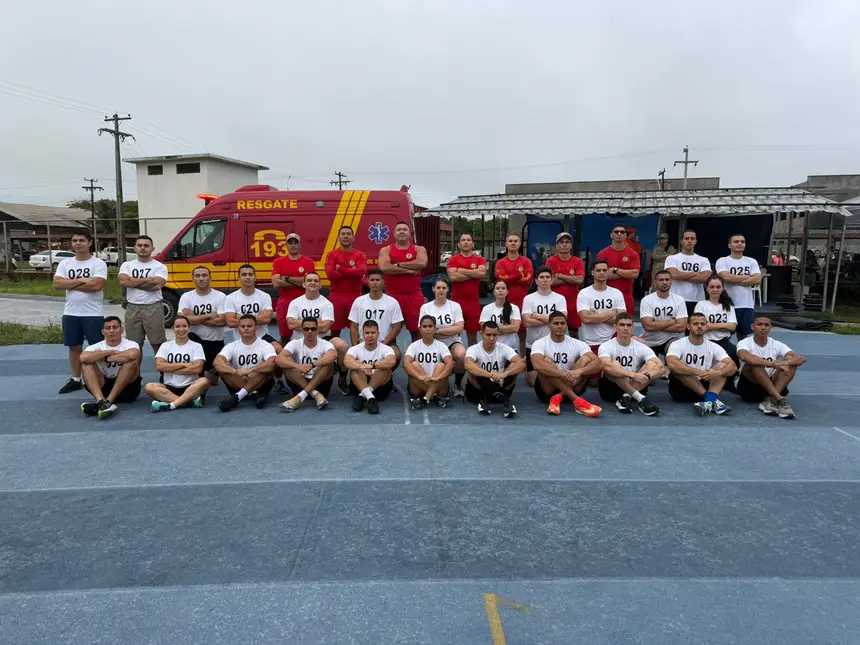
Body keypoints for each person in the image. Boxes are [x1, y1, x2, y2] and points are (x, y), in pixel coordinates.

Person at [54, 230, 109, 394]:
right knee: (74, 347)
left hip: (93, 313)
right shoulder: (65, 264)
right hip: (71, 313)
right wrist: (82, 280)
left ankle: (102, 377)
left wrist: (69, 283)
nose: (78, 243)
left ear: (90, 243)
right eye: (75, 240)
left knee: (97, 348)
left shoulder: (98, 264)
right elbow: (57, 284)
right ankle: (76, 379)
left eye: (82, 240)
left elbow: (97, 286)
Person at [221, 264, 286, 391]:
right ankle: (243, 380)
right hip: (240, 337)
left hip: (262, 335)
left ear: (255, 277)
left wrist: (240, 317)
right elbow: (229, 321)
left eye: (250, 274)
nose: (247, 277)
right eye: (244, 274)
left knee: (279, 350)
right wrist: (257, 318)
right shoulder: (231, 298)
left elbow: (267, 319)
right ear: (239, 277)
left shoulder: (264, 296)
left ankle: (278, 381)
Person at [530, 311, 602, 417]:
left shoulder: (578, 343)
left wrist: (578, 371)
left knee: (586, 359)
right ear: (549, 326)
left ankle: (558, 397)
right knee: (546, 362)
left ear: (566, 325)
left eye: (562, 323)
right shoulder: (539, 343)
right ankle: (577, 401)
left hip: (572, 383)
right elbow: (537, 365)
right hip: (548, 391)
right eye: (556, 323)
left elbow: (598, 363)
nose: (559, 326)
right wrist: (563, 374)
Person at [665, 313, 737, 416]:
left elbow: (733, 366)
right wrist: (698, 372)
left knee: (723, 366)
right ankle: (712, 400)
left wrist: (718, 372)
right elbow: (671, 363)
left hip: (704, 384)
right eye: (696, 324)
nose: (699, 326)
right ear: (688, 326)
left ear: (706, 327)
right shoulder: (678, 344)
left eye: (703, 324)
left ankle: (708, 402)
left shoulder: (713, 346)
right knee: (680, 366)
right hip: (681, 389)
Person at [736, 314, 806, 419]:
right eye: (759, 324)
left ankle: (771, 400)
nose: (763, 327)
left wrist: (786, 363)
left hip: (771, 384)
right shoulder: (744, 343)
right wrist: (773, 364)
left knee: (792, 363)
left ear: (770, 328)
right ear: (752, 327)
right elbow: (744, 356)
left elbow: (800, 359)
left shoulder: (776, 344)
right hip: (750, 387)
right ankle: (779, 399)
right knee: (755, 363)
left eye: (766, 325)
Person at [347, 269, 405, 392]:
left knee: (396, 353)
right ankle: (365, 381)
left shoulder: (392, 302)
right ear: (368, 282)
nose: (374, 283)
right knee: (352, 357)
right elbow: (353, 326)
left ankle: (387, 377)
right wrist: (356, 346)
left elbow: (397, 326)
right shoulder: (359, 301)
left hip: (384, 341)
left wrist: (383, 345)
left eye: (377, 280)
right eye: (372, 280)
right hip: (364, 341)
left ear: (383, 282)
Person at [597, 313, 663, 415]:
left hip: (638, 385)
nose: (625, 328)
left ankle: (626, 397)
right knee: (613, 365)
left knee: (653, 364)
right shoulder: (606, 346)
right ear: (615, 327)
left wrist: (646, 375)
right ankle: (640, 399)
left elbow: (660, 366)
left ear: (633, 327)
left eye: (628, 325)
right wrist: (632, 375)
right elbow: (605, 365)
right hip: (611, 389)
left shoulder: (640, 347)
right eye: (622, 325)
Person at [79, 316, 142, 420]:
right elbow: (83, 358)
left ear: (121, 330)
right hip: (103, 386)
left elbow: (133, 354)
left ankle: (108, 402)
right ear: (103, 332)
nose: (111, 331)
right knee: (86, 363)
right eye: (108, 328)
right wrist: (109, 352)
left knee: (131, 362)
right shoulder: (95, 347)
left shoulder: (131, 344)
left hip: (128, 389)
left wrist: (108, 358)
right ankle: (101, 401)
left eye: (115, 327)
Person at [144, 315, 210, 412]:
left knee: (204, 381)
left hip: (190, 386)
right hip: (169, 387)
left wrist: (170, 368)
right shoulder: (165, 346)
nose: (181, 329)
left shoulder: (197, 346)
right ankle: (188, 402)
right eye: (178, 326)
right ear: (173, 329)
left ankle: (172, 405)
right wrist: (183, 365)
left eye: (184, 326)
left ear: (189, 328)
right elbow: (159, 366)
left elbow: (197, 369)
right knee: (149, 387)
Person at [214, 314, 277, 412]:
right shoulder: (232, 345)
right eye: (243, 326)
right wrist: (235, 371)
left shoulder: (265, 345)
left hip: (260, 383)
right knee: (223, 370)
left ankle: (236, 398)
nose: (246, 329)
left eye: (249, 326)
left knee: (264, 370)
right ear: (238, 329)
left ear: (256, 328)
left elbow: (271, 363)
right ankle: (254, 395)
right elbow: (217, 362)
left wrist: (250, 370)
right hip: (238, 381)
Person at [118, 235, 168, 354]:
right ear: (135, 248)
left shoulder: (159, 266)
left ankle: (162, 371)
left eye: (146, 246)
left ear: (152, 248)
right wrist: (147, 280)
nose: (142, 248)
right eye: (139, 245)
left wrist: (132, 281)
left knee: (158, 343)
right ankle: (135, 373)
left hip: (153, 306)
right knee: (133, 346)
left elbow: (157, 285)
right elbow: (123, 282)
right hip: (132, 307)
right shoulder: (127, 265)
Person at [464, 321, 526, 417]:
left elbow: (521, 364)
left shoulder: (503, 348)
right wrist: (491, 375)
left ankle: (487, 401)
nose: (492, 338)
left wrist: (505, 374)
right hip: (480, 388)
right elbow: (467, 365)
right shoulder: (474, 348)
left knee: (514, 365)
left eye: (494, 335)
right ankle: (505, 400)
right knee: (473, 368)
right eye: (488, 335)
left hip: (500, 383)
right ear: (481, 334)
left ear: (498, 335)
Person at [178, 265, 227, 387]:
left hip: (214, 343)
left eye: (204, 275)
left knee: (212, 382)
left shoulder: (220, 296)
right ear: (193, 279)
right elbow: (183, 320)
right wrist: (210, 315)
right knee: (197, 381)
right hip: (194, 342)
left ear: (210, 278)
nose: (201, 279)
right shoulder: (186, 297)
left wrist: (195, 317)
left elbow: (222, 321)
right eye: (197, 276)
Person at [378, 221, 427, 341]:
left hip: (414, 296)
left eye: (404, 229)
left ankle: (416, 355)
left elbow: (421, 263)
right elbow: (385, 267)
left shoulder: (419, 249)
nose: (401, 232)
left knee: (417, 331)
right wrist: (408, 271)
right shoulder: (386, 250)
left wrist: (399, 264)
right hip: (392, 296)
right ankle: (391, 355)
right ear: (393, 234)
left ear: (410, 233)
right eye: (398, 230)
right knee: (389, 332)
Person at [277, 317, 338, 412]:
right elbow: (279, 358)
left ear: (317, 329)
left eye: (313, 329)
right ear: (301, 330)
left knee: (328, 364)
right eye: (306, 329)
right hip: (300, 382)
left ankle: (299, 398)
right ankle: (315, 394)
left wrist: (313, 365)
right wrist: (297, 366)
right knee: (287, 365)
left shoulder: (325, 343)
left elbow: (333, 355)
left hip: (321, 383)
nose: (310, 331)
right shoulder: (295, 343)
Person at [419, 278, 467, 396]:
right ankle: (429, 383)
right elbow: (424, 330)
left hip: (452, 341)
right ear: (433, 289)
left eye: (444, 288)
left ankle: (457, 384)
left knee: (462, 355)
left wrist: (438, 331)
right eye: (438, 287)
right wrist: (449, 330)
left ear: (448, 290)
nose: (441, 290)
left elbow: (459, 328)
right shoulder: (426, 307)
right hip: (433, 343)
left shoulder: (455, 306)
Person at [522, 266, 568, 387]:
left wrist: (537, 316)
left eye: (548, 277)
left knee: (554, 377)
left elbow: (563, 320)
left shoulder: (559, 298)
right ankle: (527, 365)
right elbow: (526, 322)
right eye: (541, 277)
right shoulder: (529, 298)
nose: (545, 280)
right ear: (536, 281)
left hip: (554, 344)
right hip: (533, 344)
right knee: (534, 383)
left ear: (552, 280)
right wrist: (552, 319)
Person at [344, 320, 397, 414]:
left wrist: (373, 367)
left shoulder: (386, 348)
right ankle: (371, 398)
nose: (370, 335)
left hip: (380, 387)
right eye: (367, 333)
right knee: (355, 365)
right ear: (362, 334)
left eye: (373, 332)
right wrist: (361, 366)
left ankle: (362, 396)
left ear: (378, 334)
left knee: (384, 367)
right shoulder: (355, 349)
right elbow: (347, 361)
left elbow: (391, 362)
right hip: (359, 384)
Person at [325, 225, 368, 341]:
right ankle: (335, 355)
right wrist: (351, 270)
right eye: (343, 234)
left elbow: (360, 273)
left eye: (348, 234)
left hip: (355, 296)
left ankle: (356, 353)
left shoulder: (360, 255)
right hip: (337, 296)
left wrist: (340, 269)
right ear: (338, 237)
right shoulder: (332, 255)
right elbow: (330, 275)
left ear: (353, 237)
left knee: (357, 328)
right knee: (334, 330)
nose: (345, 236)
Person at [271, 233, 315, 346]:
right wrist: (300, 282)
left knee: (306, 333)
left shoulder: (308, 262)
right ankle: (284, 361)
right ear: (286, 245)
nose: (293, 245)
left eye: (296, 243)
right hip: (285, 302)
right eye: (290, 243)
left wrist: (286, 278)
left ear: (300, 245)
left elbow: (309, 282)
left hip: (304, 302)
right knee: (285, 336)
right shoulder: (278, 262)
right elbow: (276, 283)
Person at [715, 234, 761, 340]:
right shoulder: (723, 261)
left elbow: (757, 279)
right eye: (736, 242)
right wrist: (747, 278)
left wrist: (734, 279)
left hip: (746, 304)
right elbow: (726, 277)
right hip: (727, 303)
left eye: (742, 241)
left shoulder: (751, 261)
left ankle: (742, 356)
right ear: (729, 245)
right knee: (725, 335)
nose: (740, 243)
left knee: (743, 336)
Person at [404, 315, 455, 410]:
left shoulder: (441, 345)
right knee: (413, 364)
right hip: (419, 385)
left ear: (435, 329)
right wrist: (420, 377)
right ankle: (434, 396)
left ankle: (425, 399)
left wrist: (438, 377)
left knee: (441, 365)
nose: (427, 329)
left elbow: (450, 363)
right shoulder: (414, 345)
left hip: (438, 384)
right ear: (419, 329)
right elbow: (406, 364)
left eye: (430, 326)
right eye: (424, 326)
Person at [446, 232, 488, 346]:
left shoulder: (479, 259)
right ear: (459, 244)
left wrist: (462, 270)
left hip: (473, 303)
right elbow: (453, 277)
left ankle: (471, 359)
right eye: (463, 240)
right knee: (454, 336)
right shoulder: (453, 259)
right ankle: (456, 359)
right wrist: (473, 274)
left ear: (473, 244)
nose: (466, 242)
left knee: (473, 337)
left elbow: (482, 273)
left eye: (468, 240)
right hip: (456, 302)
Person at [576, 260, 627, 353]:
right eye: (598, 270)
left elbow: (622, 321)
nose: (602, 273)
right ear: (592, 273)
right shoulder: (584, 293)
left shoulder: (617, 293)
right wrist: (611, 313)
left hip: (613, 340)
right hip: (591, 343)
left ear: (608, 272)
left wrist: (595, 315)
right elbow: (586, 319)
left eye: (604, 270)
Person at [638, 270, 688, 357]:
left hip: (669, 340)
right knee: (652, 367)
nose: (664, 282)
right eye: (661, 280)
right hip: (649, 341)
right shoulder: (647, 300)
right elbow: (648, 326)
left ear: (671, 282)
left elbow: (682, 327)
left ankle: (671, 369)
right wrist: (672, 322)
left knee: (677, 347)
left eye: (667, 279)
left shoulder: (679, 300)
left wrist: (655, 325)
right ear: (655, 282)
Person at [665, 230, 711, 318]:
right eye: (686, 238)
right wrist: (696, 273)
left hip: (697, 300)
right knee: (675, 328)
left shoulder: (703, 260)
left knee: (694, 329)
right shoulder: (672, 258)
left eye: (692, 238)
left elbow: (704, 278)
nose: (689, 241)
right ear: (682, 241)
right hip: (676, 299)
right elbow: (674, 275)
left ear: (695, 241)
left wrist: (681, 275)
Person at [695, 275, 739, 366]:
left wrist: (709, 325)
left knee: (736, 355)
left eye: (718, 287)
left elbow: (732, 327)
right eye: (711, 287)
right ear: (706, 288)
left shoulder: (728, 306)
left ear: (723, 288)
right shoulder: (701, 305)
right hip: (706, 341)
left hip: (724, 341)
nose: (715, 289)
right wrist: (724, 325)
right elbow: (700, 326)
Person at [546, 232, 585, 334]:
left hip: (573, 304)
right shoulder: (551, 261)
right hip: (555, 304)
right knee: (555, 332)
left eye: (567, 242)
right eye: (561, 242)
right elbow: (550, 282)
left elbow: (580, 280)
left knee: (573, 333)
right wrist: (571, 278)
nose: (564, 244)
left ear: (571, 245)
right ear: (557, 245)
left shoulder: (577, 261)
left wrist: (561, 276)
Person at [597, 224, 641, 313]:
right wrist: (626, 274)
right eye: (616, 232)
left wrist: (615, 270)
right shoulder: (603, 254)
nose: (619, 234)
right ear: (611, 235)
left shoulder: (633, 254)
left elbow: (635, 274)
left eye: (622, 232)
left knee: (626, 325)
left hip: (626, 295)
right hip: (606, 295)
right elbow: (601, 275)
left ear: (625, 235)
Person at [494, 232, 534, 311]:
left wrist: (509, 277)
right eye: (510, 241)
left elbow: (528, 281)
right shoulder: (501, 262)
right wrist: (519, 276)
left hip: (523, 302)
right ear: (506, 244)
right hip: (504, 302)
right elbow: (501, 280)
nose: (513, 243)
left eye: (515, 241)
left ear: (519, 244)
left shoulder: (526, 261)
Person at [479, 280, 522, 350]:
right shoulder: (487, 308)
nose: (500, 290)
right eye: (497, 288)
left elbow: (515, 328)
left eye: (503, 288)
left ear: (507, 292)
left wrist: (493, 328)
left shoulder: (514, 308)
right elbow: (484, 328)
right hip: (492, 348)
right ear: (493, 292)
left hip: (510, 348)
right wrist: (507, 328)